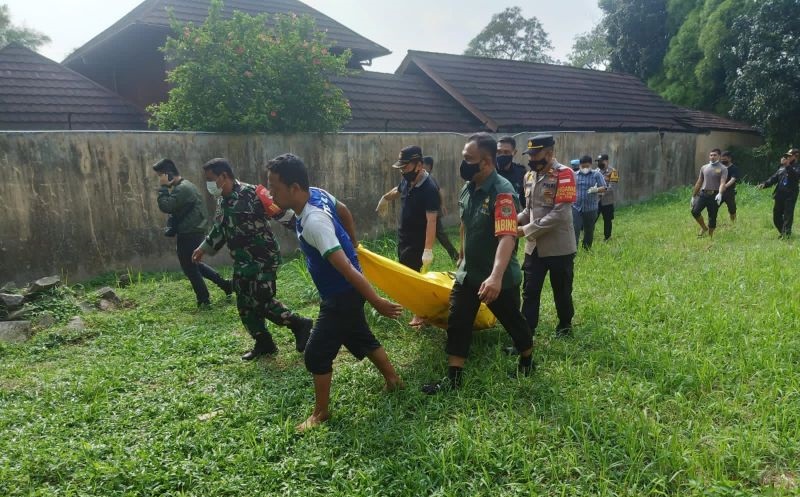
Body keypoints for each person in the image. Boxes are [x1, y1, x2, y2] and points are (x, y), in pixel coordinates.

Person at [265, 153, 404, 432]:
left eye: (275, 188)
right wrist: (352, 241)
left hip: (341, 294)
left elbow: (348, 271)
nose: (270, 193)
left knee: (316, 354)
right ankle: (394, 380)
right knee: (359, 334)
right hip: (344, 292)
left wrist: (375, 300)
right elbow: (344, 210)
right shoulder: (316, 194)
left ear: (294, 188)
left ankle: (320, 413)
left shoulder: (315, 222)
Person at [421, 133, 534, 394]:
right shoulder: (468, 187)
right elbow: (465, 223)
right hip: (468, 274)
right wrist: (462, 252)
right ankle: (454, 378)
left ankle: (527, 357)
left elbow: (507, 236)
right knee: (458, 321)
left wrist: (495, 276)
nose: (464, 163)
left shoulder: (502, 192)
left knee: (513, 323)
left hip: (498, 276)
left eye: (468, 159)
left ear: (485, 162)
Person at [191, 158, 313, 361]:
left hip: (263, 258)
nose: (209, 184)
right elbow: (219, 228)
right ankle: (263, 342)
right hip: (242, 261)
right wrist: (203, 248)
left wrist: (308, 235)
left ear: (224, 176)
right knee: (245, 304)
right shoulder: (223, 200)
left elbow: (284, 214)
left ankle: (299, 324)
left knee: (262, 300)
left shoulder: (254, 193)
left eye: (211, 179)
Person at [517, 135, 577, 338]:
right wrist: (510, 222)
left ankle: (565, 325)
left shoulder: (565, 174)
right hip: (534, 247)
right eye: (530, 154)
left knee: (561, 290)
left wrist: (525, 230)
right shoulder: (529, 177)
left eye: (536, 154)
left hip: (559, 247)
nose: (531, 158)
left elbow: (559, 214)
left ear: (549, 153)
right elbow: (529, 210)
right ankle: (526, 332)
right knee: (530, 291)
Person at [153, 158, 232, 307]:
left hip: (190, 232)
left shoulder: (183, 188)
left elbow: (166, 206)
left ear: (168, 174)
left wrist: (163, 188)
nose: (159, 179)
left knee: (190, 267)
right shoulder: (184, 186)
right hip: (193, 230)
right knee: (194, 264)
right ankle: (225, 285)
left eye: (160, 176)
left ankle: (204, 299)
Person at [377, 146, 440, 326]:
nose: (403, 171)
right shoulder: (407, 179)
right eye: (401, 167)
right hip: (404, 236)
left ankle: (421, 315)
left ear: (419, 165)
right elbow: (397, 190)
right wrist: (385, 199)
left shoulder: (429, 188)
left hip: (418, 241)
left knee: (414, 278)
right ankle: (419, 309)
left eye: (405, 167)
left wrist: (428, 250)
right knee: (406, 274)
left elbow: (432, 221)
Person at [423, 156, 460, 262]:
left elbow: (440, 192)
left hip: (433, 213)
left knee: (441, 236)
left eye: (423, 165)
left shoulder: (429, 179)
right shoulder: (424, 178)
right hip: (426, 213)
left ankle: (456, 256)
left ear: (429, 167)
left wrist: (442, 205)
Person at [757, 149, 800, 238]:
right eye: (785, 156)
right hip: (780, 195)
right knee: (776, 216)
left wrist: (788, 165)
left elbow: (796, 177)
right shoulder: (781, 168)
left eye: (788, 156)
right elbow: (773, 178)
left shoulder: (797, 167)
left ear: (795, 156)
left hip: (790, 195)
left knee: (788, 215)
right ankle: (783, 232)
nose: (785, 158)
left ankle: (786, 235)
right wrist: (764, 184)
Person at [691, 148, 728, 238]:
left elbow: (723, 182)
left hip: (714, 195)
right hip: (703, 194)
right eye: (711, 155)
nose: (712, 157)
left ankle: (710, 236)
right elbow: (699, 182)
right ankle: (704, 228)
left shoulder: (723, 168)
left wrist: (720, 193)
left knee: (712, 216)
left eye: (715, 155)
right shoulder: (704, 167)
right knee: (695, 211)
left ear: (719, 156)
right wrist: (693, 196)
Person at [573, 155, 607, 250]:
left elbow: (604, 188)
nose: (585, 168)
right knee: (575, 229)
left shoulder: (596, 174)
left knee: (589, 230)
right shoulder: (575, 175)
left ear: (591, 165)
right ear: (580, 165)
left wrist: (595, 189)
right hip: (576, 207)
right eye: (582, 166)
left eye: (587, 166)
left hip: (591, 207)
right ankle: (573, 250)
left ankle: (587, 248)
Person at [496, 136, 528, 208]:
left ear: (514, 152)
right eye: (499, 152)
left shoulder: (521, 172)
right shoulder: (490, 171)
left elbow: (524, 202)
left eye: (506, 152)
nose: (502, 155)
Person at [595, 153, 619, 240]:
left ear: (607, 161)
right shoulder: (596, 171)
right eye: (598, 161)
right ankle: (588, 235)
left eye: (601, 161)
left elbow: (613, 187)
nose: (599, 163)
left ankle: (607, 237)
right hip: (597, 200)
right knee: (593, 218)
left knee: (607, 220)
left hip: (608, 200)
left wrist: (600, 190)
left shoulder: (614, 172)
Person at [718, 151, 740, 223]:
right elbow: (715, 175)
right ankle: (712, 223)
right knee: (714, 207)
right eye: (722, 159)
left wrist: (725, 186)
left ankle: (733, 223)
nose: (723, 161)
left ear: (730, 159)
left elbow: (733, 179)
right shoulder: (719, 168)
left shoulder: (734, 168)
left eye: (725, 159)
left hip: (729, 192)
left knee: (732, 209)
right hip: (718, 192)